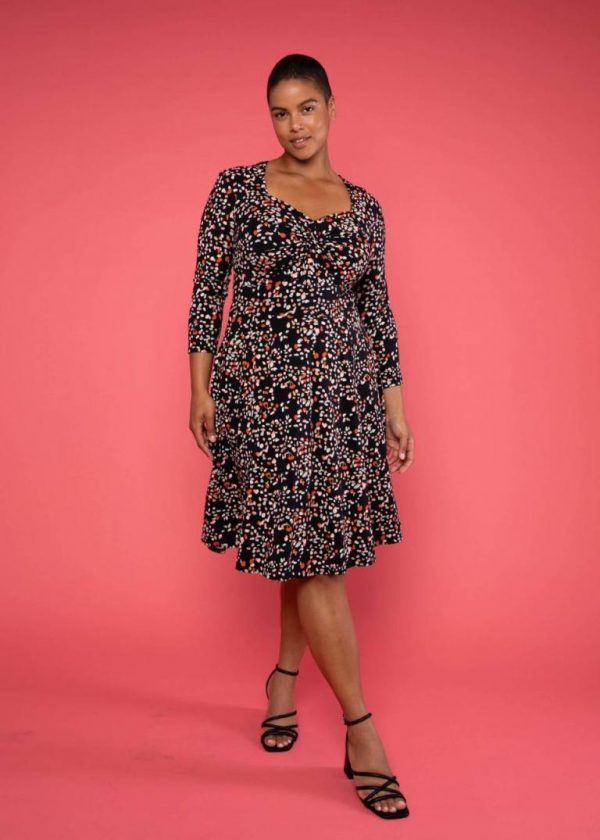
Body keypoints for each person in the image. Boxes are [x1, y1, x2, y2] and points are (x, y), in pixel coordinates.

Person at [187, 54, 415, 819]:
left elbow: (378, 314)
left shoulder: (365, 207)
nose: (295, 125)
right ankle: (362, 732)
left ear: (332, 108)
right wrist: (199, 389)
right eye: (281, 112)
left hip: (345, 405)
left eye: (307, 108)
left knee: (308, 551)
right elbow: (206, 296)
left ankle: (282, 683)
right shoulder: (236, 189)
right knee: (315, 560)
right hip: (265, 404)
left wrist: (395, 406)